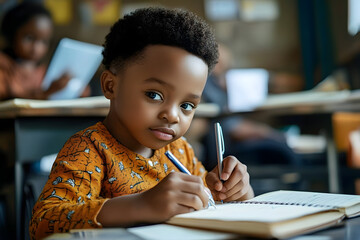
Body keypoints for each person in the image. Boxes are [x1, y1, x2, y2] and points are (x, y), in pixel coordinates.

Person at [29, 7, 254, 239]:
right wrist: (140, 206)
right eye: (154, 95)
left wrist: (235, 191)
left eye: (187, 105)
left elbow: (210, 202)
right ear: (110, 86)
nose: (173, 116)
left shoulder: (179, 151)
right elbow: (44, 222)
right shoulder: (89, 149)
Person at [201, 43, 300, 171]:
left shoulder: (215, 85)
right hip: (225, 150)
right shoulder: (208, 86)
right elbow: (235, 129)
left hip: (228, 145)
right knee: (284, 149)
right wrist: (271, 134)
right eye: (222, 64)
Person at [0, 2, 89, 100]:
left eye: (44, 41)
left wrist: (73, 89)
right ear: (11, 34)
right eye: (29, 38)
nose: (36, 48)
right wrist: (46, 92)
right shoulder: (3, 67)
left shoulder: (43, 73)